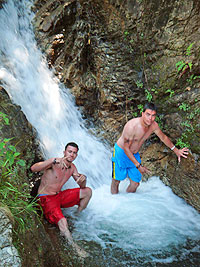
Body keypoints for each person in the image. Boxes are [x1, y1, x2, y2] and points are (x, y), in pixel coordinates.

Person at [111, 102, 189, 194]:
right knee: (117, 180)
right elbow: (126, 148)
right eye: (148, 114)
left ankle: (126, 201)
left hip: (134, 154)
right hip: (121, 153)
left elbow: (163, 138)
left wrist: (176, 151)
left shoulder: (153, 126)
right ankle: (114, 200)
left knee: (135, 183)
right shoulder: (131, 126)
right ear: (142, 113)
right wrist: (138, 165)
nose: (150, 118)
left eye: (153, 115)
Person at [31, 142, 92, 258]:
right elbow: (33, 168)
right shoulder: (54, 163)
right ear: (64, 152)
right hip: (45, 198)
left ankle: (77, 216)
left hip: (58, 196)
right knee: (62, 221)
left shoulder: (72, 168)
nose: (71, 155)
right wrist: (52, 160)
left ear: (76, 155)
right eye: (70, 152)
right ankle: (74, 247)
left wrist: (83, 180)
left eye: (74, 153)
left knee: (88, 191)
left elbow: (82, 186)